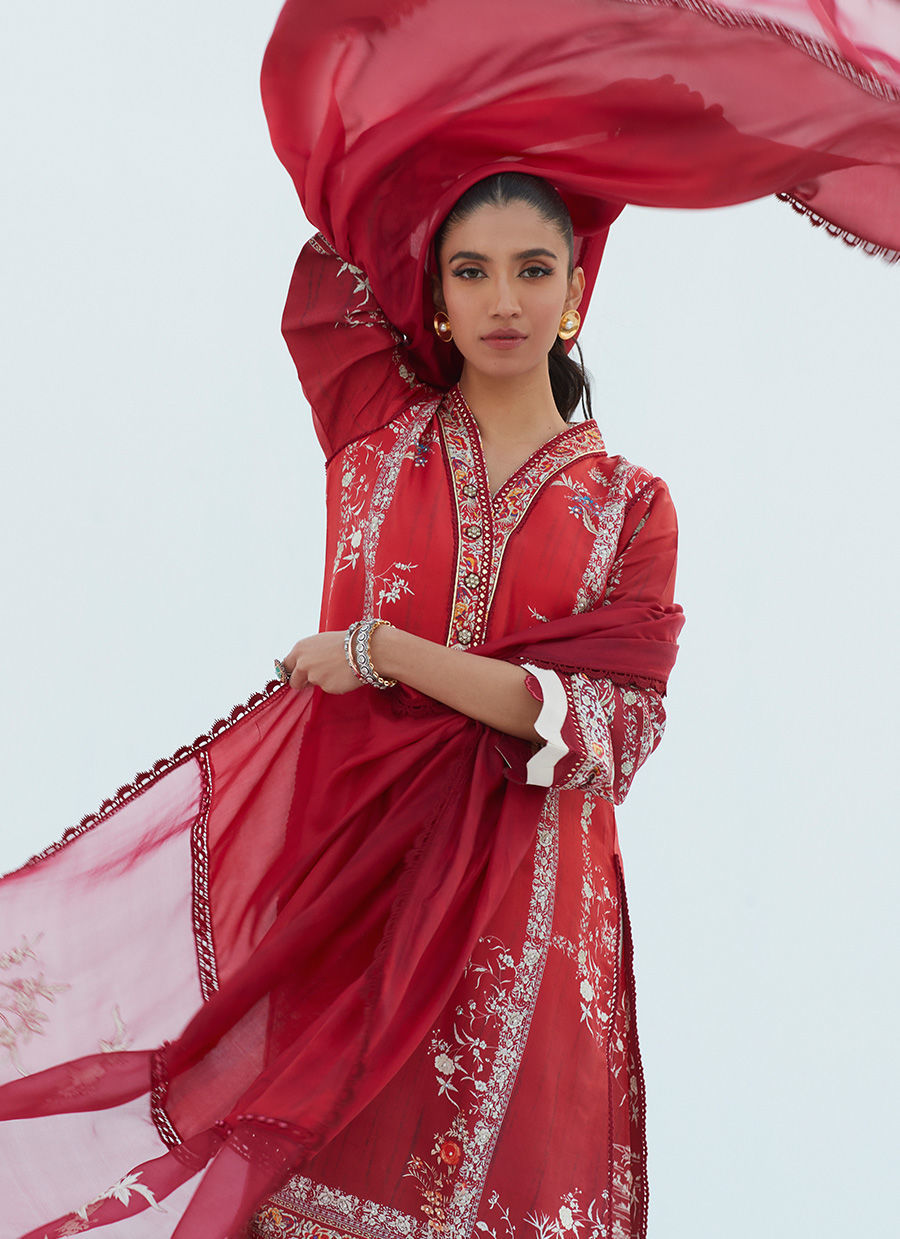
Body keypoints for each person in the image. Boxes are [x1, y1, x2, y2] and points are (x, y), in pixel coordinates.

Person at [246, 170, 681, 1238]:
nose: (503, 301)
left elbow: (604, 732)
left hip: (527, 920)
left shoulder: (631, 507)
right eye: (470, 272)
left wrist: (383, 649)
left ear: (576, 292)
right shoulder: (371, 435)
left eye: (534, 271)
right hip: (352, 892)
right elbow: (336, 237)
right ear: (433, 296)